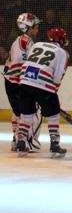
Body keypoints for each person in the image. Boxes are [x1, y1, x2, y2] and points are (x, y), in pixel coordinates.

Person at [17, 28, 70, 157]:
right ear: (61, 39)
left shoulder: (37, 44)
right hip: (43, 84)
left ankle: (21, 141)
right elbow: (57, 77)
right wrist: (52, 92)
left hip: (24, 81)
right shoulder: (62, 52)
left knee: (27, 114)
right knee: (53, 115)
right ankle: (55, 143)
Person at [3, 13, 40, 152]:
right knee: (31, 112)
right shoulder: (27, 42)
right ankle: (29, 142)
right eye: (36, 27)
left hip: (10, 82)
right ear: (29, 28)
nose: (37, 30)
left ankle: (16, 140)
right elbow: (25, 63)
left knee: (17, 113)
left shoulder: (20, 41)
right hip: (19, 82)